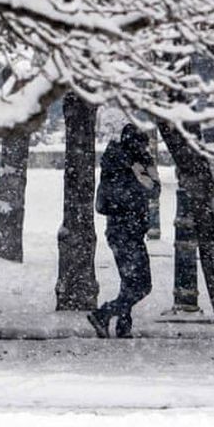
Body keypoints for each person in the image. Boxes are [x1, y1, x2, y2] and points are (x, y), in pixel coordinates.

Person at [89, 124, 160, 338]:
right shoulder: (121, 164)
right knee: (142, 285)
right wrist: (139, 176)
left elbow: (154, 189)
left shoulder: (122, 162)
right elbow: (149, 190)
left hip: (123, 230)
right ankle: (103, 314)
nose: (145, 150)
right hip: (126, 231)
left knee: (130, 281)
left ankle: (123, 323)